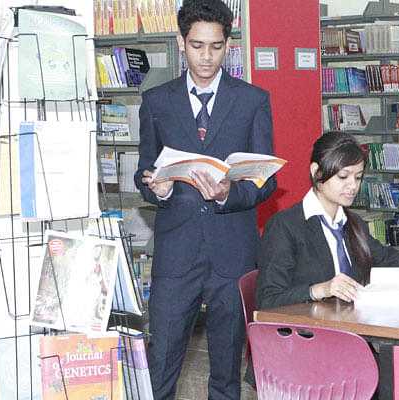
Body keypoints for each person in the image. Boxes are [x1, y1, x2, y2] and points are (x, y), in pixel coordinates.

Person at [132, 1, 274, 398]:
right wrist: (155, 187)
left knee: (227, 371)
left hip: (232, 252)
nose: (206, 56)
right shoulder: (157, 101)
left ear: (228, 44)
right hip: (176, 253)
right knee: (160, 363)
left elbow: (264, 181)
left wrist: (230, 193)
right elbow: (145, 169)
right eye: (197, 46)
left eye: (216, 46)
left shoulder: (253, 100)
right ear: (181, 43)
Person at [256, 131, 399, 310]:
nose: (353, 186)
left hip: (352, 319)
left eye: (358, 177)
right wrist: (320, 290)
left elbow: (389, 261)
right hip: (309, 325)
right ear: (316, 171)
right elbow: (267, 300)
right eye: (343, 176)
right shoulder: (285, 225)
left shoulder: (353, 223)